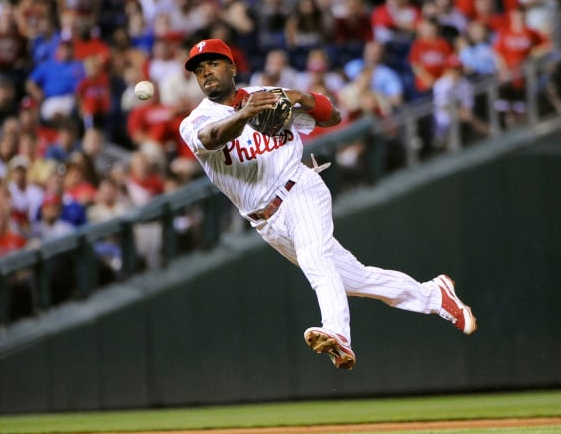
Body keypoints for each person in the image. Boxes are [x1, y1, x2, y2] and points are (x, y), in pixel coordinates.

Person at [179, 38, 478, 371]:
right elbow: (211, 138)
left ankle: (338, 333)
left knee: (314, 258)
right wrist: (245, 114)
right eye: (199, 69)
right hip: (266, 223)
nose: (207, 73)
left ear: (232, 67)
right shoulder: (195, 121)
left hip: (299, 189)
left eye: (214, 64)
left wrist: (304, 98)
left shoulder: (266, 96)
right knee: (355, 280)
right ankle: (434, 295)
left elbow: (331, 117)